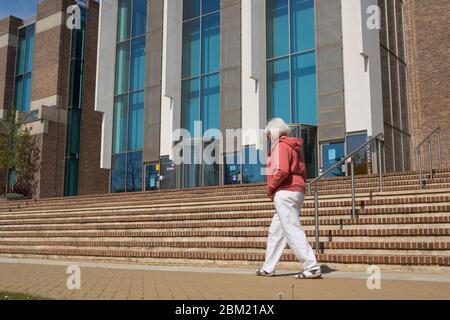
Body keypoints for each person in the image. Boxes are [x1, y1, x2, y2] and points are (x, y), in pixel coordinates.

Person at [256, 118, 322, 279]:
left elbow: (282, 170)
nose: (267, 138)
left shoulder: (281, 146)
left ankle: (311, 266)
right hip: (296, 190)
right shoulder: (294, 146)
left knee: (292, 229)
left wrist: (270, 188)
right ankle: (268, 267)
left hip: (285, 191)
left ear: (274, 132)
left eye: (268, 134)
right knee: (276, 231)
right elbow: (303, 170)